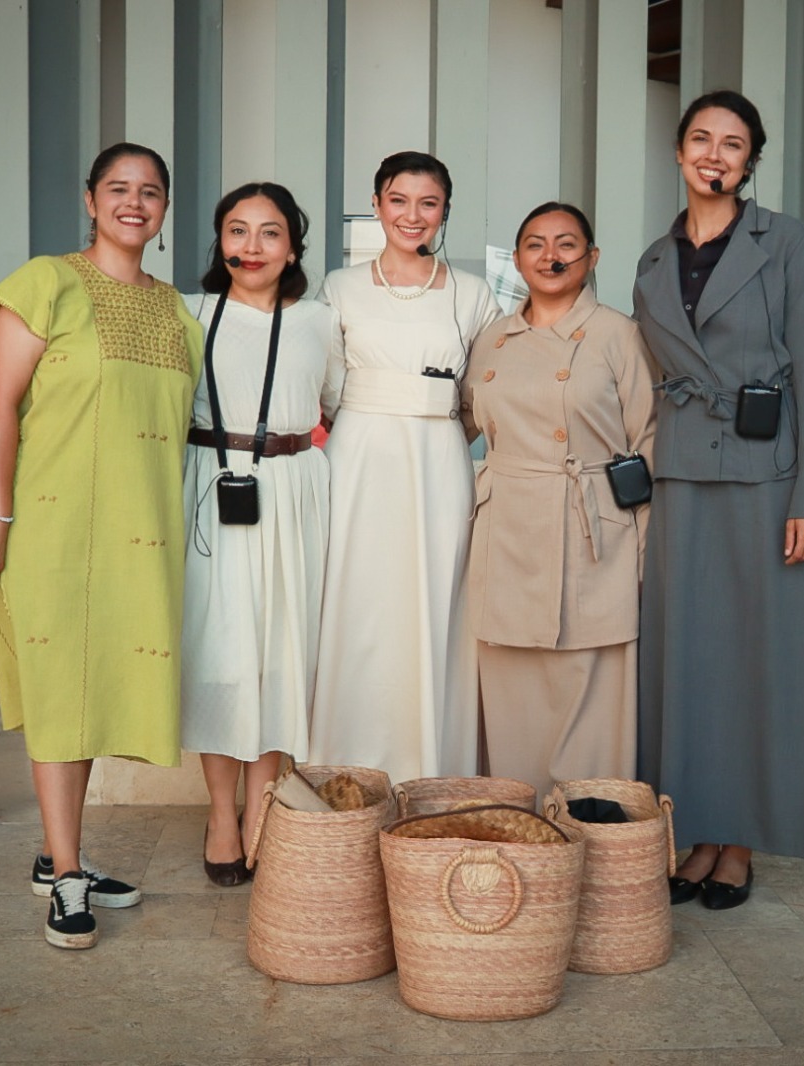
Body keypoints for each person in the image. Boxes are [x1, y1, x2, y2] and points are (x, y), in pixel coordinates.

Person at [0, 143, 202, 948]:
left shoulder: (176, 311)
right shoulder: (47, 282)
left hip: (142, 537)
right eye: (119, 189)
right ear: (90, 199)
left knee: (96, 685)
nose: (134, 203)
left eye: (151, 192)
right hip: (55, 527)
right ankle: (67, 875)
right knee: (63, 690)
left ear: (165, 210)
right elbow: (0, 405)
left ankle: (58, 852)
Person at [633, 90, 804, 910]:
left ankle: (740, 843)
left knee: (759, 663)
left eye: (733, 144)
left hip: (768, 478)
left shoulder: (785, 240)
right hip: (684, 476)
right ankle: (696, 829)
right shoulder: (653, 261)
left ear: (750, 161)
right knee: (690, 662)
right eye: (701, 139)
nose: (714, 155)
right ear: (681, 152)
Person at [308, 151, 499, 786]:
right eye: (398, 200)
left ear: (445, 210)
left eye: (428, 203)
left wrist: (439, 423)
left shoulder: (474, 294)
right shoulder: (339, 286)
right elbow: (327, 386)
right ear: (377, 203)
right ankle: (347, 768)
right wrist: (369, 422)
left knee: (436, 601)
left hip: (440, 462)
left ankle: (431, 772)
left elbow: (485, 392)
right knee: (357, 603)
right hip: (358, 458)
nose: (411, 216)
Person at [460, 202, 656, 799]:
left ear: (592, 258)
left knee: (593, 685)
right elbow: (461, 424)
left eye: (567, 244)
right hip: (507, 531)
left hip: (593, 530)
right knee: (513, 686)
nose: (551, 256)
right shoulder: (492, 337)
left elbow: (647, 443)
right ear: (517, 260)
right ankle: (521, 824)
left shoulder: (619, 334)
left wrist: (644, 550)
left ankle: (595, 834)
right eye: (536, 245)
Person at [180, 182, 344, 886]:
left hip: (291, 487)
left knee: (279, 649)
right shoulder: (189, 313)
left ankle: (263, 810)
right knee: (219, 652)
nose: (252, 247)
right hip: (208, 485)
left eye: (269, 232)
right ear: (220, 242)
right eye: (237, 231)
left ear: (293, 246)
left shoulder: (320, 321)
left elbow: (338, 405)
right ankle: (222, 813)